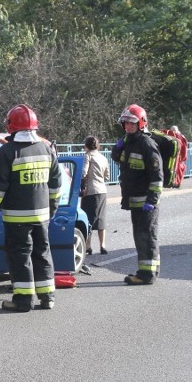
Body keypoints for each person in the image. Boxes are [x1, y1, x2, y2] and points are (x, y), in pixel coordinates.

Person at [0, 104, 62, 312]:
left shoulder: (7, 152)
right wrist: (53, 208)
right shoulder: (46, 149)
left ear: (11, 126)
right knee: (43, 253)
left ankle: (23, 300)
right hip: (42, 215)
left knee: (20, 256)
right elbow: (56, 184)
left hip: (17, 217)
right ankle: (47, 297)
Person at [110, 104, 163, 285]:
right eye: (125, 124)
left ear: (141, 123)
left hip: (145, 202)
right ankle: (145, 272)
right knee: (141, 237)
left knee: (147, 237)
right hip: (134, 201)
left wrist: (152, 200)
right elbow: (116, 158)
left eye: (132, 124)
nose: (128, 127)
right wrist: (119, 145)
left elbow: (157, 177)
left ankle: (147, 275)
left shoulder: (147, 144)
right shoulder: (129, 142)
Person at [81, 135, 111, 254]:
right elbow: (107, 176)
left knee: (88, 219)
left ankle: (88, 246)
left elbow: (83, 172)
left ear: (86, 146)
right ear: (97, 146)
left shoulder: (87, 156)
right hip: (102, 191)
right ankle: (102, 245)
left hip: (90, 191)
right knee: (101, 218)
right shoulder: (103, 157)